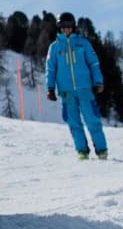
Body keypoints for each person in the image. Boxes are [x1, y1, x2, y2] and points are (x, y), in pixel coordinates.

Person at [45, 12, 108, 160]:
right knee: (73, 122)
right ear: (59, 28)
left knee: (92, 120)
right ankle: (82, 151)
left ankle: (102, 150)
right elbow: (51, 68)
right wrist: (50, 88)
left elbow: (93, 63)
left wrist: (98, 81)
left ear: (73, 27)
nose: (66, 30)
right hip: (66, 92)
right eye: (63, 27)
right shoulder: (54, 47)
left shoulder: (83, 43)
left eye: (69, 26)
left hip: (85, 88)